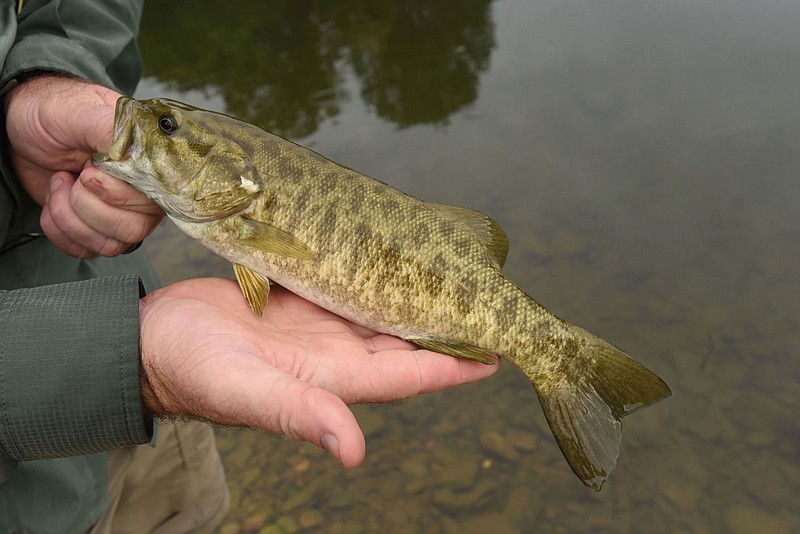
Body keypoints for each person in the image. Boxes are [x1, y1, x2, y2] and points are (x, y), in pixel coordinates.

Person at [0, 2, 497, 532]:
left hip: (125, 327)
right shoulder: (226, 218)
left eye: (166, 127)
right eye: (168, 128)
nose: (144, 124)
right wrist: (131, 362)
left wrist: (40, 81)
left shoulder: (211, 207)